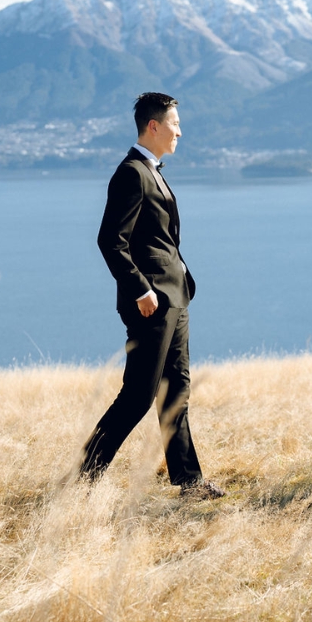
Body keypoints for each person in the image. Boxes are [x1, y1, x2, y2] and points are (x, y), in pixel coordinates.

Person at [81, 92, 225, 499]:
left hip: (175, 299)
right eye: (175, 123)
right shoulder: (131, 173)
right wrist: (141, 288)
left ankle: (190, 482)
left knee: (176, 389)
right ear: (153, 126)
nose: (180, 130)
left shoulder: (153, 170)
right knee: (138, 395)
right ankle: (84, 476)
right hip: (151, 303)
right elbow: (111, 240)